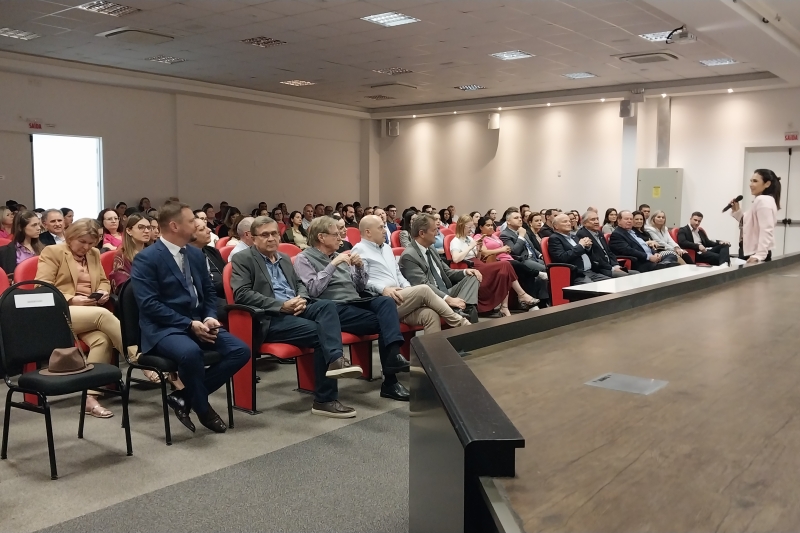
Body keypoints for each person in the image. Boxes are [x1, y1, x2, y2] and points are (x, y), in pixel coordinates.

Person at [131, 202, 250, 434]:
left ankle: (185, 396)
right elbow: (149, 305)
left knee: (240, 350)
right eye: (190, 221)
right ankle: (203, 408)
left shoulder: (195, 254)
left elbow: (208, 293)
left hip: (198, 322)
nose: (197, 224)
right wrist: (188, 323)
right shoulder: (147, 258)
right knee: (191, 353)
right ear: (174, 226)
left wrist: (208, 317)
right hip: (163, 328)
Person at [231, 216, 363, 418]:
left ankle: (336, 360)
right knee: (321, 334)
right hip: (270, 316)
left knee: (327, 306)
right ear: (254, 238)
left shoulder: (283, 257)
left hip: (296, 306)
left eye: (274, 233)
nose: (271, 238)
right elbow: (242, 294)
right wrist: (281, 305)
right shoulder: (243, 259)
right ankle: (324, 400)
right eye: (265, 235)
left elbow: (299, 283)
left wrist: (302, 297)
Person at [293, 216, 411, 401]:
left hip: (354, 302)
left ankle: (392, 359)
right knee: (385, 323)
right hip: (332, 309)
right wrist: (333, 265)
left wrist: (359, 268)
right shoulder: (304, 258)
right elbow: (313, 290)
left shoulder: (339, 256)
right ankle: (390, 381)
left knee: (386, 302)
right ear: (322, 237)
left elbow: (359, 287)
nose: (341, 238)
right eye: (336, 235)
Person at [36, 218, 123, 419]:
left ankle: (89, 398)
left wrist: (102, 291)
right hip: (60, 312)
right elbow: (42, 287)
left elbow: (102, 280)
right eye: (82, 242)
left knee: (102, 340)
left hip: (88, 311)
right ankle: (139, 357)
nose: (87, 247)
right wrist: (72, 299)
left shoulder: (93, 254)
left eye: (91, 243)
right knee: (103, 315)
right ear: (71, 237)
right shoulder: (53, 252)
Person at [352, 215, 471, 332]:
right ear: (368, 232)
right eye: (380, 228)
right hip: (382, 301)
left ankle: (434, 351)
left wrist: (408, 289)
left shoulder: (387, 248)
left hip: (401, 297)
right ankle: (461, 323)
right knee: (423, 289)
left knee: (430, 315)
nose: (384, 231)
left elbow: (398, 274)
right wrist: (383, 288)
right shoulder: (359, 250)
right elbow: (361, 282)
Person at [399, 213, 481, 323]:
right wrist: (448, 299)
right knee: (471, 312)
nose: (437, 233)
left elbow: (447, 271)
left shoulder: (431, 248)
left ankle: (460, 309)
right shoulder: (409, 256)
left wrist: (466, 271)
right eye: (434, 230)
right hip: (431, 298)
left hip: (445, 291)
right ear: (422, 233)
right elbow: (425, 286)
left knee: (473, 276)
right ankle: (464, 311)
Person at [450, 215, 539, 315]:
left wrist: (478, 247)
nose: (471, 230)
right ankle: (521, 295)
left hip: (478, 263)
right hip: (470, 266)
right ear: (462, 226)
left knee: (504, 273)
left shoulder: (469, 239)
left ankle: (504, 307)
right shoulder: (455, 241)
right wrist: (471, 246)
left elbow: (479, 257)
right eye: (469, 227)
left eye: (472, 227)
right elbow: (456, 258)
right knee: (505, 265)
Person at [475, 215, 548, 305]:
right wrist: (502, 249)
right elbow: (485, 252)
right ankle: (535, 277)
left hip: (508, 258)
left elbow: (507, 248)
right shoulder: (479, 237)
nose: (491, 227)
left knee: (525, 273)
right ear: (481, 227)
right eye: (487, 225)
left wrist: (506, 249)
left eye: (491, 225)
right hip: (496, 261)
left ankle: (532, 304)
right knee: (517, 265)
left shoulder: (494, 236)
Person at [730, 168, 781, 263]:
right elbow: (749, 223)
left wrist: (760, 255)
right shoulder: (763, 200)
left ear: (767, 184)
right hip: (749, 250)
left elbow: (766, 229)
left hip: (755, 253)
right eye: (751, 181)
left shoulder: (762, 200)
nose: (751, 184)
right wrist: (736, 211)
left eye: (755, 181)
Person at [548, 214, 611, 284]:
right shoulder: (555, 238)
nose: (569, 223)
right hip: (576, 274)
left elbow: (583, 252)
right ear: (556, 226)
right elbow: (562, 257)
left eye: (569, 221)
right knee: (594, 288)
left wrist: (588, 247)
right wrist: (581, 245)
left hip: (590, 271)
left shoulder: (573, 237)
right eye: (565, 222)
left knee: (610, 283)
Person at [610, 211, 678, 272]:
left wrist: (654, 253)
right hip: (640, 261)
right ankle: (664, 265)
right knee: (671, 267)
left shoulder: (632, 232)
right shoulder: (617, 234)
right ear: (619, 220)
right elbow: (629, 250)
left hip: (650, 257)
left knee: (671, 255)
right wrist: (649, 257)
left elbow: (644, 245)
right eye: (626, 219)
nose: (629, 221)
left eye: (631, 219)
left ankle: (663, 264)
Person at [576, 210, 637, 278]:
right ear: (584, 223)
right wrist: (612, 268)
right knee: (626, 276)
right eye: (593, 220)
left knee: (636, 273)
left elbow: (609, 252)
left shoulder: (599, 233)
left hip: (611, 266)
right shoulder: (582, 234)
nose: (596, 222)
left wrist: (616, 265)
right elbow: (594, 258)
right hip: (600, 269)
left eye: (597, 219)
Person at [189, 217, 228, 321]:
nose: (209, 230)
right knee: (240, 309)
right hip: (208, 299)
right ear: (190, 235)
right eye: (202, 229)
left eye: (206, 227)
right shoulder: (187, 257)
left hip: (226, 293)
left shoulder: (212, 251)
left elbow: (228, 273)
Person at [499, 211, 549, 281]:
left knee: (553, 265)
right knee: (546, 269)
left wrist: (541, 255)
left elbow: (531, 247)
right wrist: (521, 236)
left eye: (520, 217)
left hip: (535, 258)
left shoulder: (522, 230)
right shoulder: (505, 235)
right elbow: (514, 251)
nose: (520, 219)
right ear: (508, 222)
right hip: (524, 260)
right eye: (516, 218)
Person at [109, 213, 151, 294]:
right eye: (141, 227)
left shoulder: (153, 253)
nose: (146, 231)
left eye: (148, 228)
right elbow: (124, 287)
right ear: (129, 231)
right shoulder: (122, 255)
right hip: (135, 297)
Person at [0, 210, 43, 277]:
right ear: (20, 227)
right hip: (18, 285)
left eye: (38, 224)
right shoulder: (5, 252)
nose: (39, 228)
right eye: (34, 225)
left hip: (42, 284)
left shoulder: (43, 248)